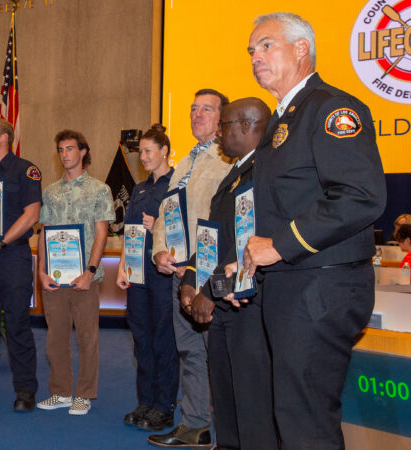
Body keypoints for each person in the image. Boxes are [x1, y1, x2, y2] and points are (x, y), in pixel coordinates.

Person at [242, 12, 386, 448]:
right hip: (292, 283)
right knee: (291, 412)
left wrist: (280, 246)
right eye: (251, 50)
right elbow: (281, 208)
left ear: (301, 49)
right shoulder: (283, 120)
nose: (255, 57)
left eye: (266, 45)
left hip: (322, 285)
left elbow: (361, 195)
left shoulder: (330, 109)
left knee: (305, 421)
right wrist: (247, 262)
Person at [179, 98, 278, 449]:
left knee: (251, 403)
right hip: (222, 303)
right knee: (225, 395)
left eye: (224, 125)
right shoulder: (234, 174)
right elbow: (213, 236)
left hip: (250, 304)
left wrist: (211, 286)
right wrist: (191, 279)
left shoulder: (268, 171)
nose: (219, 133)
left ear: (248, 126)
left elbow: (254, 241)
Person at [148, 89, 232, 449]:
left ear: (222, 118)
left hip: (210, 278)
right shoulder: (184, 163)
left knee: (220, 356)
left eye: (207, 109)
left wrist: (203, 273)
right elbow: (167, 213)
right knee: (190, 354)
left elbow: (227, 221)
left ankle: (230, 432)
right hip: (177, 273)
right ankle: (195, 426)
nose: (197, 114)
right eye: (193, 108)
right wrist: (159, 252)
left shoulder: (230, 159)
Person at [36, 129, 114, 416]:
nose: (65, 154)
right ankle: (60, 392)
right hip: (55, 278)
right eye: (60, 150)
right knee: (55, 337)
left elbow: (101, 233)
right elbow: (43, 233)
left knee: (87, 337)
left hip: (84, 277)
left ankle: (84, 393)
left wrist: (90, 271)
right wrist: (41, 272)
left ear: (83, 152)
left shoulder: (99, 189)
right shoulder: (51, 192)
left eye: (70, 149)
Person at [115, 124, 178, 431]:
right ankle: (146, 401)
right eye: (141, 152)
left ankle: (164, 405)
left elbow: (184, 230)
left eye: (149, 151)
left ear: (165, 150)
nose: (144, 157)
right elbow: (130, 232)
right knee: (141, 338)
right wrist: (123, 267)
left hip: (163, 274)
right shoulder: (140, 189)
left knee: (163, 338)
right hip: (137, 274)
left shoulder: (177, 183)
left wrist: (161, 226)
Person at [0, 118, 42, 412]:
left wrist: (2, 241)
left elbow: (31, 215)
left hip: (13, 257)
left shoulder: (24, 170)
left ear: (5, 137)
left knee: (17, 323)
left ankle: (26, 390)